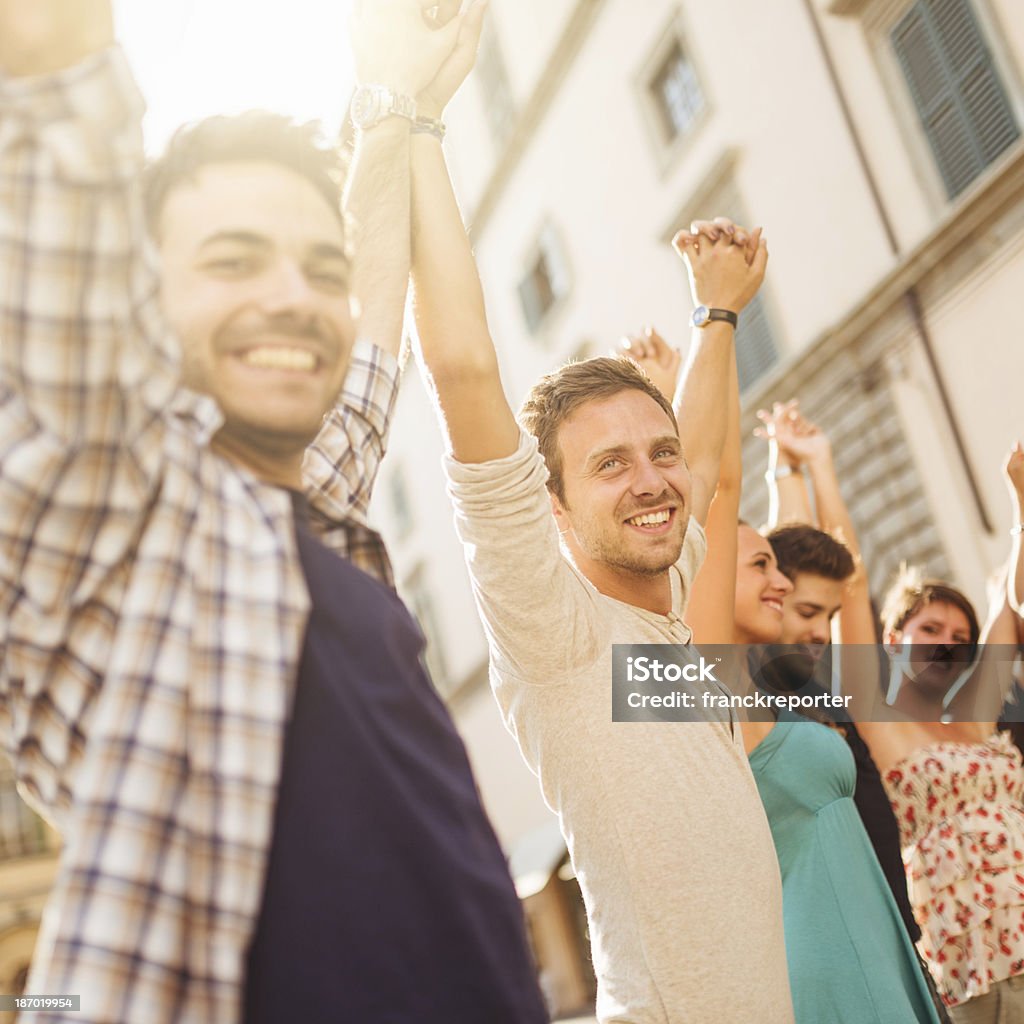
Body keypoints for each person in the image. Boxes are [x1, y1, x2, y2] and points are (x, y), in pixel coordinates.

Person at [0, 2, 547, 1021]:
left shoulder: (298, 522)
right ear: (137, 308)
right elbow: (54, 95)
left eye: (314, 268)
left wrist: (392, 105)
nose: (294, 296)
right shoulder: (108, 516)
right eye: (232, 259)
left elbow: (372, 343)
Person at [405, 22, 793, 1011]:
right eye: (608, 465)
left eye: (651, 451)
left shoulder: (661, 654)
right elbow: (461, 369)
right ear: (552, 506)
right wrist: (412, 121)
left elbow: (701, 467)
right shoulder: (559, 638)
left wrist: (715, 318)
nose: (649, 479)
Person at [629, 346, 942, 1022]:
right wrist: (706, 333)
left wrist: (809, 466)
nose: (781, 585)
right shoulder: (697, 684)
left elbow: (835, 582)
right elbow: (719, 498)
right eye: (764, 568)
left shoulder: (799, 676)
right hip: (819, 959)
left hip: (878, 931)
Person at [755, 402, 1024, 1020]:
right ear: (892, 637)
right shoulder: (876, 717)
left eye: (959, 635)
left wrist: (1018, 500)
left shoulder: (975, 723)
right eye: (930, 626)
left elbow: (1010, 615)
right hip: (977, 964)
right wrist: (819, 467)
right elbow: (848, 583)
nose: (947, 641)